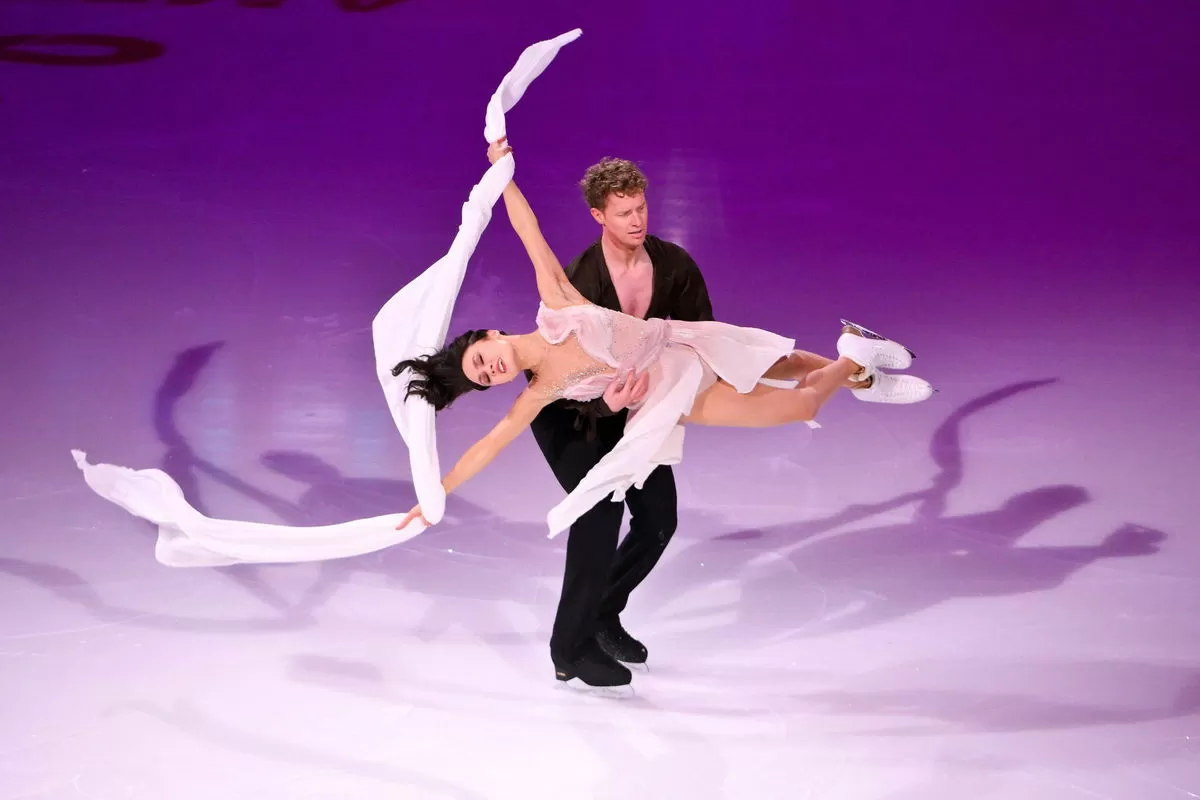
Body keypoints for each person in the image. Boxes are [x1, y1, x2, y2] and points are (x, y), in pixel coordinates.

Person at [392, 139, 935, 689]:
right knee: (795, 405)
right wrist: (435, 495)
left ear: (489, 334)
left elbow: (526, 227)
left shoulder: (558, 299)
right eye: (485, 377)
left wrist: (502, 171)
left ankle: (859, 369)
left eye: (482, 359)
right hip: (654, 395)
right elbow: (491, 442)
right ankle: (853, 360)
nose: (492, 369)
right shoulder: (539, 393)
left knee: (778, 363)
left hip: (679, 346)